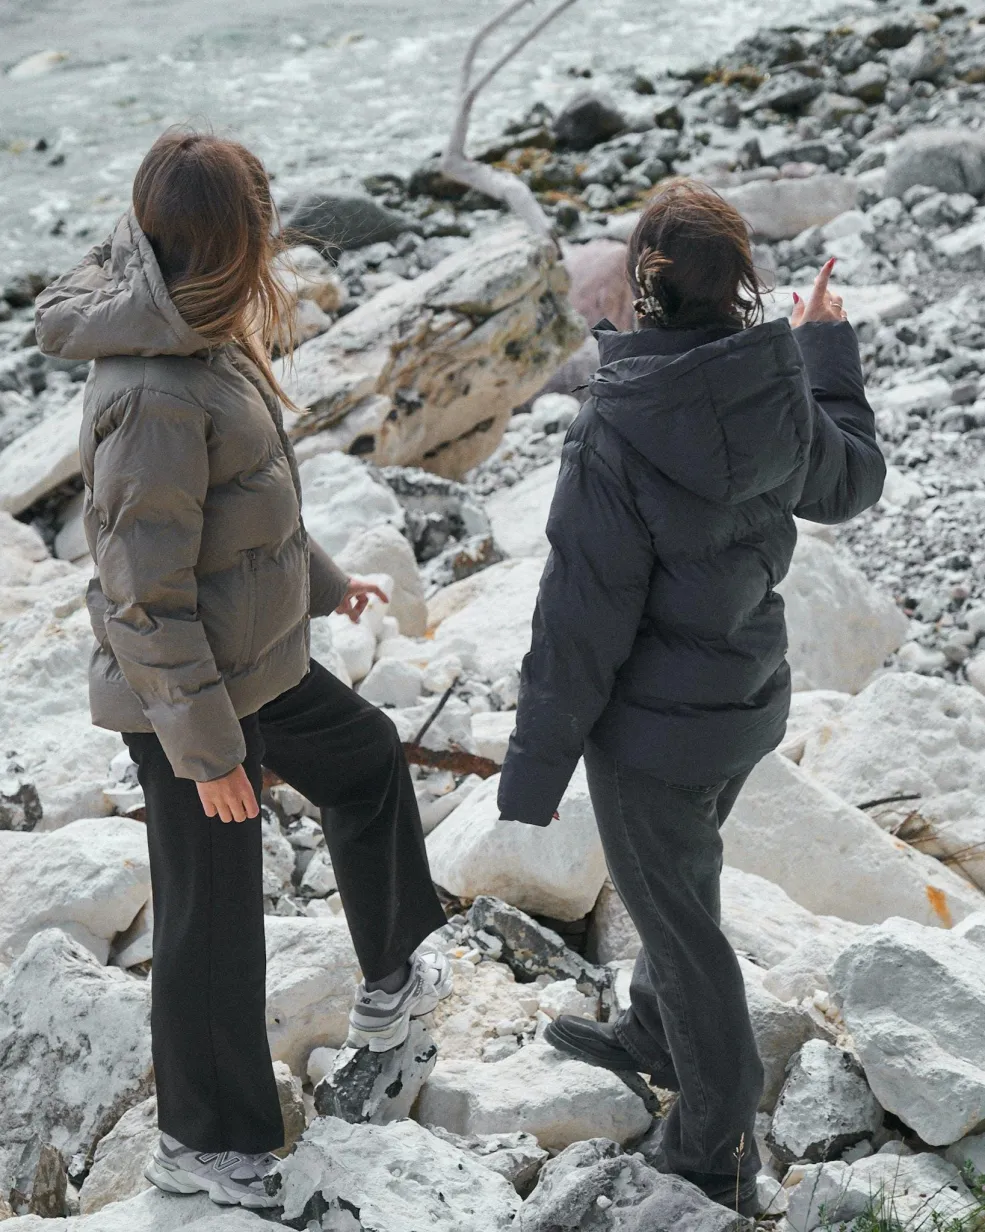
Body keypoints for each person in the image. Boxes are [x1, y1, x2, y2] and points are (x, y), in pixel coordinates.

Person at [34, 130, 452, 1210]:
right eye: (261, 234)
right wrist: (211, 752)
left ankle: (393, 976)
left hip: (251, 658)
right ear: (229, 246)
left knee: (365, 758)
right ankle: (205, 1147)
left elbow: (244, 503)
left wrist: (324, 582)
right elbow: (142, 594)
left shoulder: (197, 325)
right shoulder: (153, 391)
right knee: (212, 918)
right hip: (182, 697)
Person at [497, 179, 885, 1216]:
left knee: (681, 926)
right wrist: (824, 349)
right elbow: (850, 481)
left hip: (651, 737)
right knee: (678, 880)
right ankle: (654, 1032)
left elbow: (579, 620)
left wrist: (531, 772)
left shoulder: (615, 424)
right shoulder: (774, 387)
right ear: (738, 285)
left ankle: (715, 1146)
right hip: (744, 700)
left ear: (640, 287)